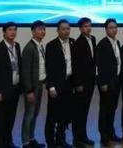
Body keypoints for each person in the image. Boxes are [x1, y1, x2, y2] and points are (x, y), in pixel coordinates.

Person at [0, 22, 22, 148]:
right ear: (4, 32)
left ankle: (8, 142)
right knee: (1, 120)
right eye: (10, 30)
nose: (12, 32)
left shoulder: (17, 46)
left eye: (14, 30)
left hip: (14, 89)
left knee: (11, 118)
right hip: (2, 91)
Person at [45, 19, 74, 148]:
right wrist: (51, 87)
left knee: (65, 114)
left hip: (68, 83)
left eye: (68, 28)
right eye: (63, 29)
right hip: (56, 85)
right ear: (58, 30)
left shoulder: (72, 43)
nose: (66, 31)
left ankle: (61, 140)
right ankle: (50, 141)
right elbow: (49, 68)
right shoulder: (51, 45)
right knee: (52, 115)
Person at [21, 20, 47, 148]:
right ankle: (25, 142)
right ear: (33, 31)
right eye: (39, 29)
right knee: (29, 114)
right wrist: (29, 90)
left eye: (44, 29)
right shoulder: (29, 48)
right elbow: (25, 72)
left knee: (35, 114)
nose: (42, 32)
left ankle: (31, 139)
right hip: (32, 87)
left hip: (39, 85)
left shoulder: (40, 45)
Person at [96, 18, 122, 147]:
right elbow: (100, 65)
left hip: (116, 81)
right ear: (106, 30)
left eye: (115, 27)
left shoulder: (117, 42)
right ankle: (104, 137)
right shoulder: (102, 44)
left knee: (112, 109)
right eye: (111, 28)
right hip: (106, 83)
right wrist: (103, 83)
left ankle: (111, 133)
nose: (114, 30)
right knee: (104, 110)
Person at [71, 17, 96, 148]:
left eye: (89, 26)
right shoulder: (78, 43)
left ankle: (83, 136)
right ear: (80, 29)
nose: (88, 28)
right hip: (81, 83)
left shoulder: (93, 39)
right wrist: (78, 84)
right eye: (85, 26)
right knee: (78, 112)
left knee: (85, 111)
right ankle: (77, 139)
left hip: (91, 82)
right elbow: (76, 65)